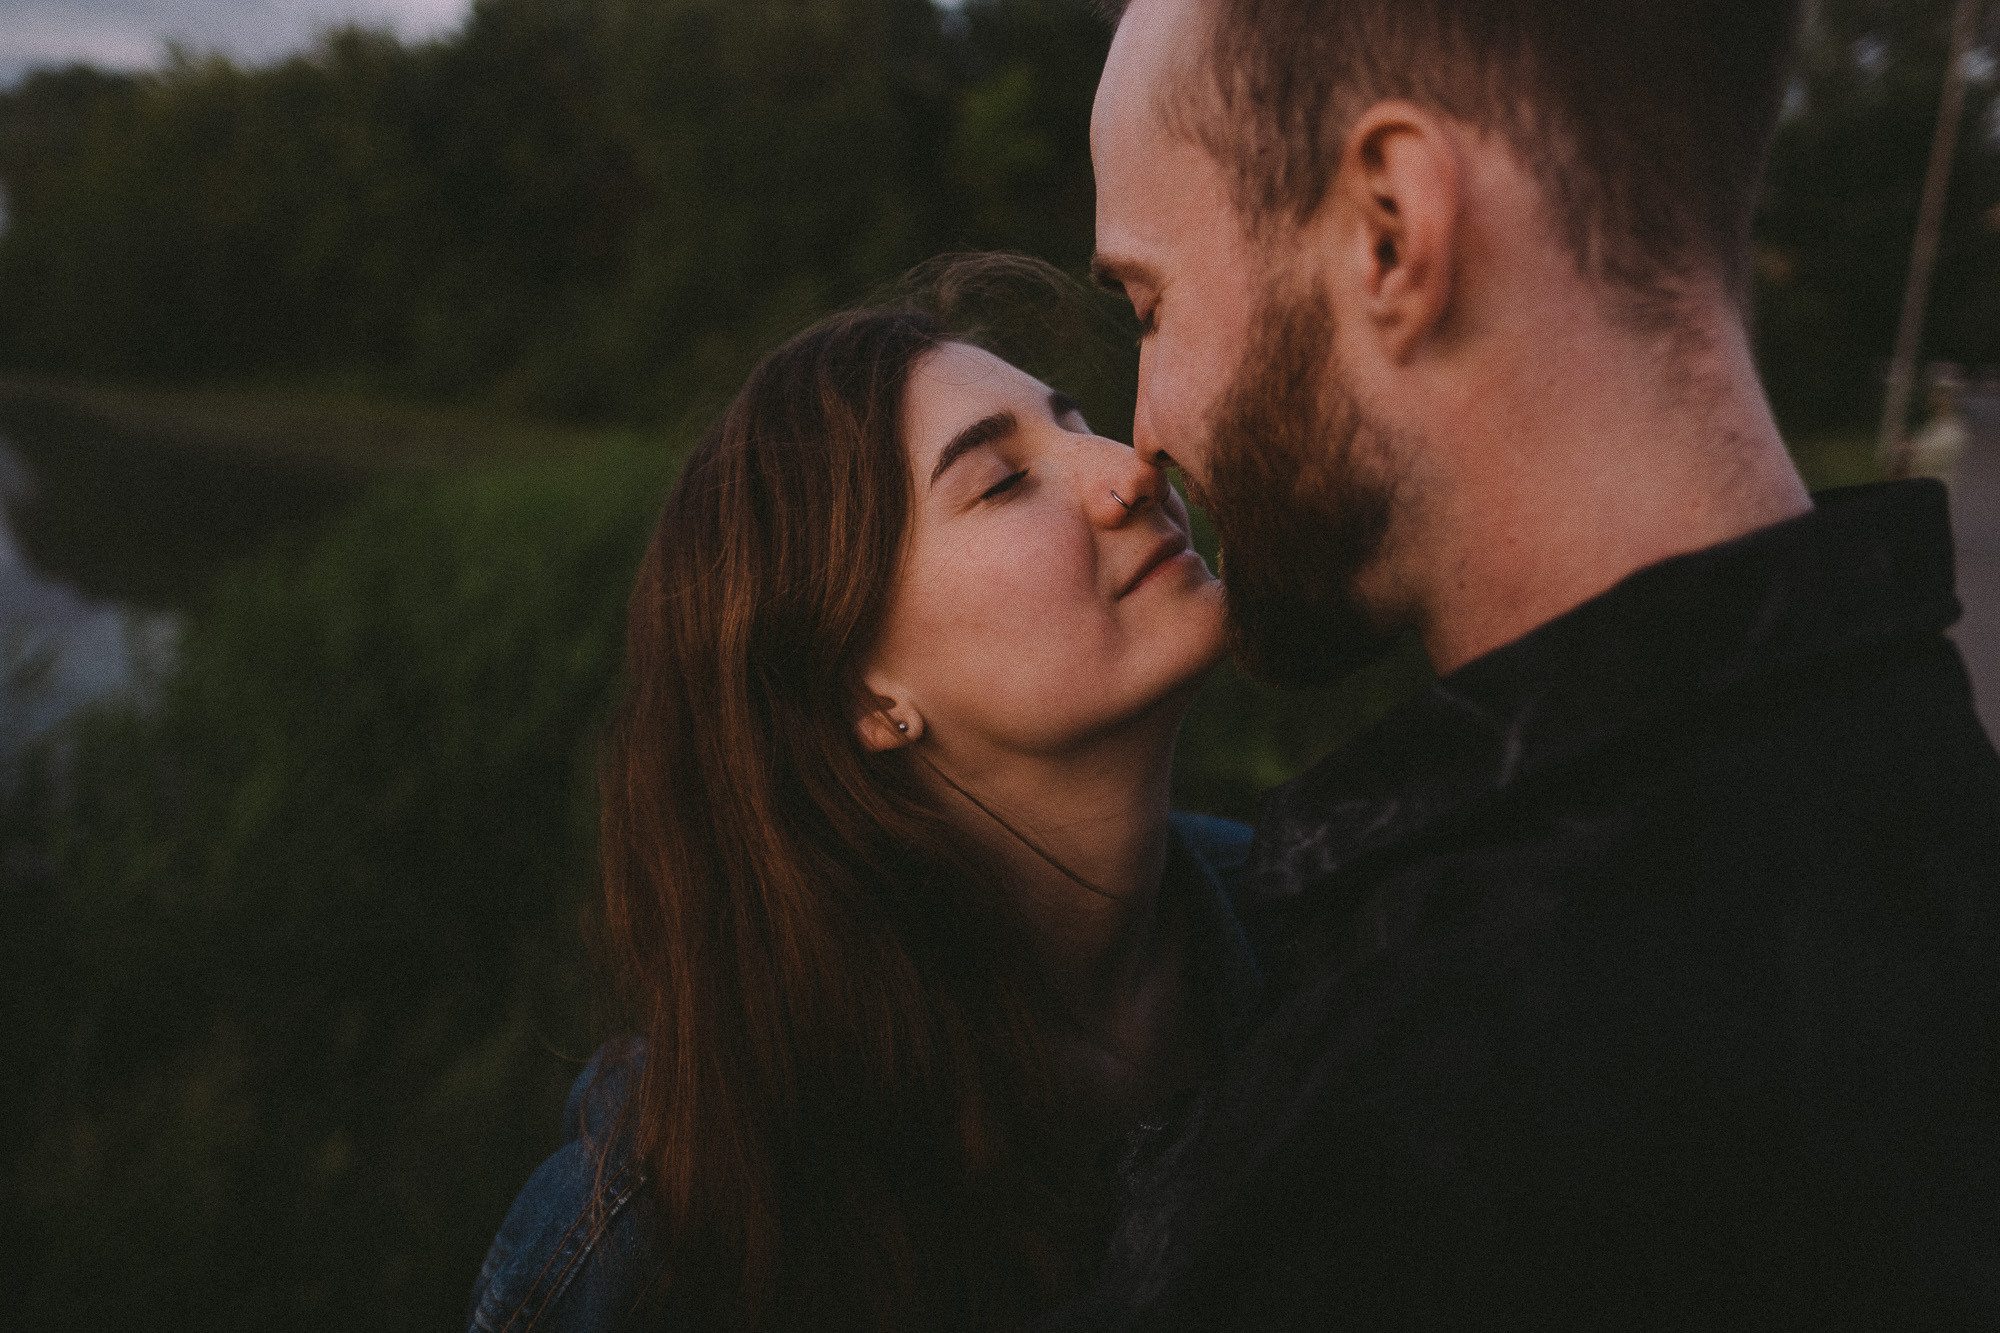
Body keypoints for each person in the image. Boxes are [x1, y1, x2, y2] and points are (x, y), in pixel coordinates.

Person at [1068, 0, 2000, 1326]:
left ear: (1391, 230)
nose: (1143, 431)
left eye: (1150, 305)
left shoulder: (1417, 1139)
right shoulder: (1926, 822)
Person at [467, 305, 1266, 1331]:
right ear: (864, 694)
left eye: (1080, 423)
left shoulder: (1343, 928)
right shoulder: (683, 1236)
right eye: (1003, 481)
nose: (1129, 470)